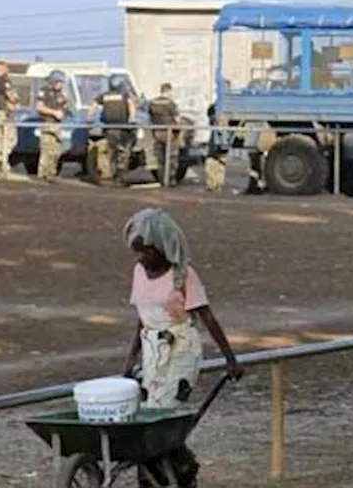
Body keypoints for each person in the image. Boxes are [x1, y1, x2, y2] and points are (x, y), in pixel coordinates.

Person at [120, 208, 243, 488]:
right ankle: (169, 471)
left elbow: (207, 317)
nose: (141, 258)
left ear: (162, 246)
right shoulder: (139, 273)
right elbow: (141, 321)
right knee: (147, 413)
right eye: (136, 252)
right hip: (152, 350)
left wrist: (230, 359)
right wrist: (129, 363)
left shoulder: (182, 275)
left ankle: (177, 471)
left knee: (160, 413)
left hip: (180, 349)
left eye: (146, 251)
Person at [92, 76, 137, 186]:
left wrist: (89, 118)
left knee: (111, 153)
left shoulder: (105, 95)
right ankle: (120, 178)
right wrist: (132, 120)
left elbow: (93, 105)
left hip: (109, 129)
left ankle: (109, 176)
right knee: (122, 153)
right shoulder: (124, 94)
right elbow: (131, 105)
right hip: (123, 128)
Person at [34, 71, 69, 181]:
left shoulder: (61, 94)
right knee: (47, 150)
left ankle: (51, 173)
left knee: (56, 151)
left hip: (58, 125)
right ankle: (43, 174)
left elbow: (65, 106)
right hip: (47, 123)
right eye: (59, 82)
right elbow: (39, 107)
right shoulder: (44, 91)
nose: (61, 85)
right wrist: (54, 112)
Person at [148, 83, 181, 187]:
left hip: (157, 132)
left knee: (160, 158)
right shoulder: (170, 103)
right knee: (172, 157)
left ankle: (162, 179)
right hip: (169, 132)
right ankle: (170, 179)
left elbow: (150, 116)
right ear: (168, 91)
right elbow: (177, 118)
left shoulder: (153, 102)